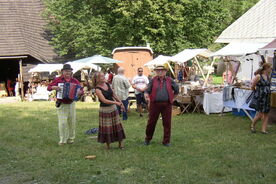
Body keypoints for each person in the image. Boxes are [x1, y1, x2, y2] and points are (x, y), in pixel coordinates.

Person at [144, 65, 179, 146]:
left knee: (167, 123)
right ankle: (147, 139)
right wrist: (146, 94)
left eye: (162, 70)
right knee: (151, 122)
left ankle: (166, 141)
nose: (160, 72)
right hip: (154, 104)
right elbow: (147, 90)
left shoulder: (170, 80)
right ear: (156, 72)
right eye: (158, 70)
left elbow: (177, 89)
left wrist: (172, 98)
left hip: (167, 105)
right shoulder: (153, 80)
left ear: (165, 71)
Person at [47, 64, 82, 145]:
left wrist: (80, 92)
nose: (68, 73)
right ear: (62, 72)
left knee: (72, 122)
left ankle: (71, 139)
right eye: (66, 71)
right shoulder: (58, 80)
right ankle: (62, 140)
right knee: (62, 123)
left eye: (69, 71)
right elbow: (49, 87)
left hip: (71, 103)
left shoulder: (74, 81)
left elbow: (81, 89)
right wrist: (54, 87)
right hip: (62, 103)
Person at [93, 72, 126, 149]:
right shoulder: (97, 89)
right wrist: (115, 102)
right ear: (97, 79)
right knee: (107, 128)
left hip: (113, 108)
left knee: (117, 126)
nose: (104, 77)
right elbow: (104, 100)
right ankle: (108, 145)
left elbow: (114, 94)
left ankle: (121, 144)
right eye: (101, 76)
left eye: (103, 75)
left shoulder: (107, 84)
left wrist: (121, 103)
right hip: (104, 110)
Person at [250, 62, 272, 134]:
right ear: (266, 68)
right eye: (270, 68)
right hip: (260, 97)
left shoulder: (268, 77)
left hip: (267, 97)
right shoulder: (259, 76)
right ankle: (252, 125)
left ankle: (263, 130)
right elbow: (253, 86)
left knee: (266, 114)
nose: (271, 69)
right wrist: (256, 92)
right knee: (260, 114)